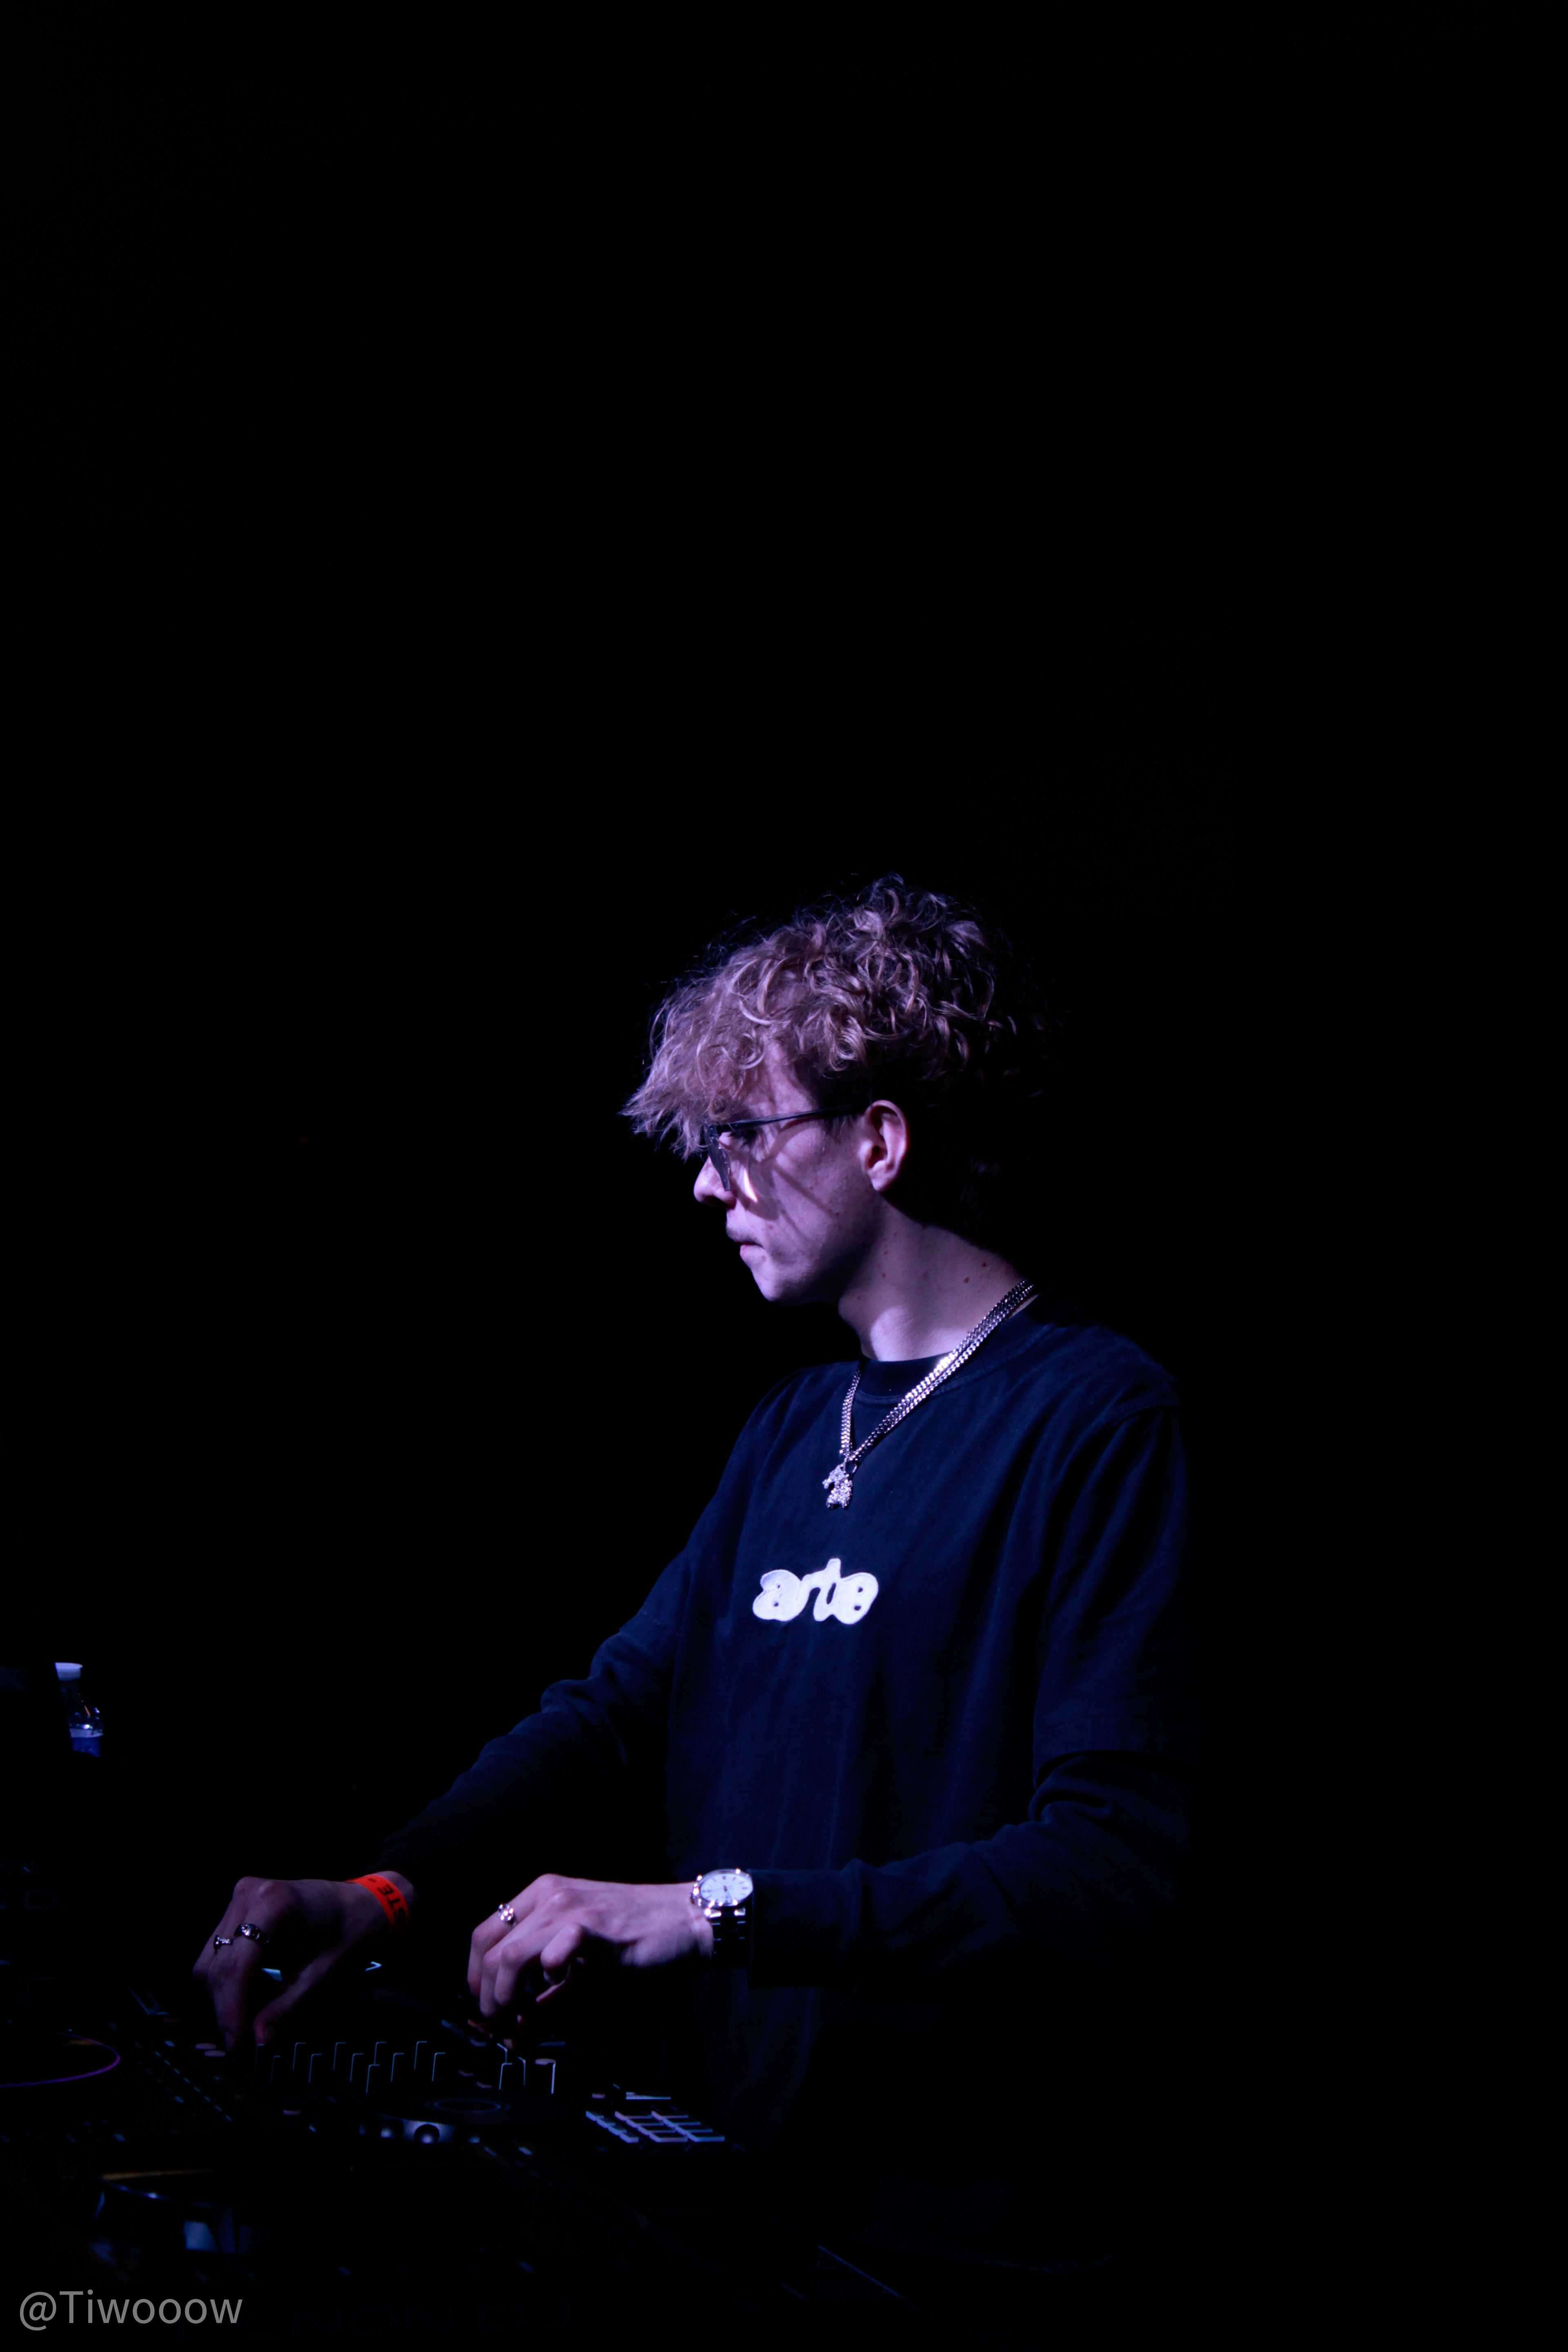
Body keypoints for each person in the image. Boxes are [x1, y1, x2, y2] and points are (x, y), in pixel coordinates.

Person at [196, 876, 1220, 2263]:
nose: (705, 1181)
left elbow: (1110, 1867)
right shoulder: (793, 1428)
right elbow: (616, 1712)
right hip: (745, 2191)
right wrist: (385, 1893)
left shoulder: (1100, 1421)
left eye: (741, 1134)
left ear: (879, 1140)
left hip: (966, 2245)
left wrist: (715, 1913)